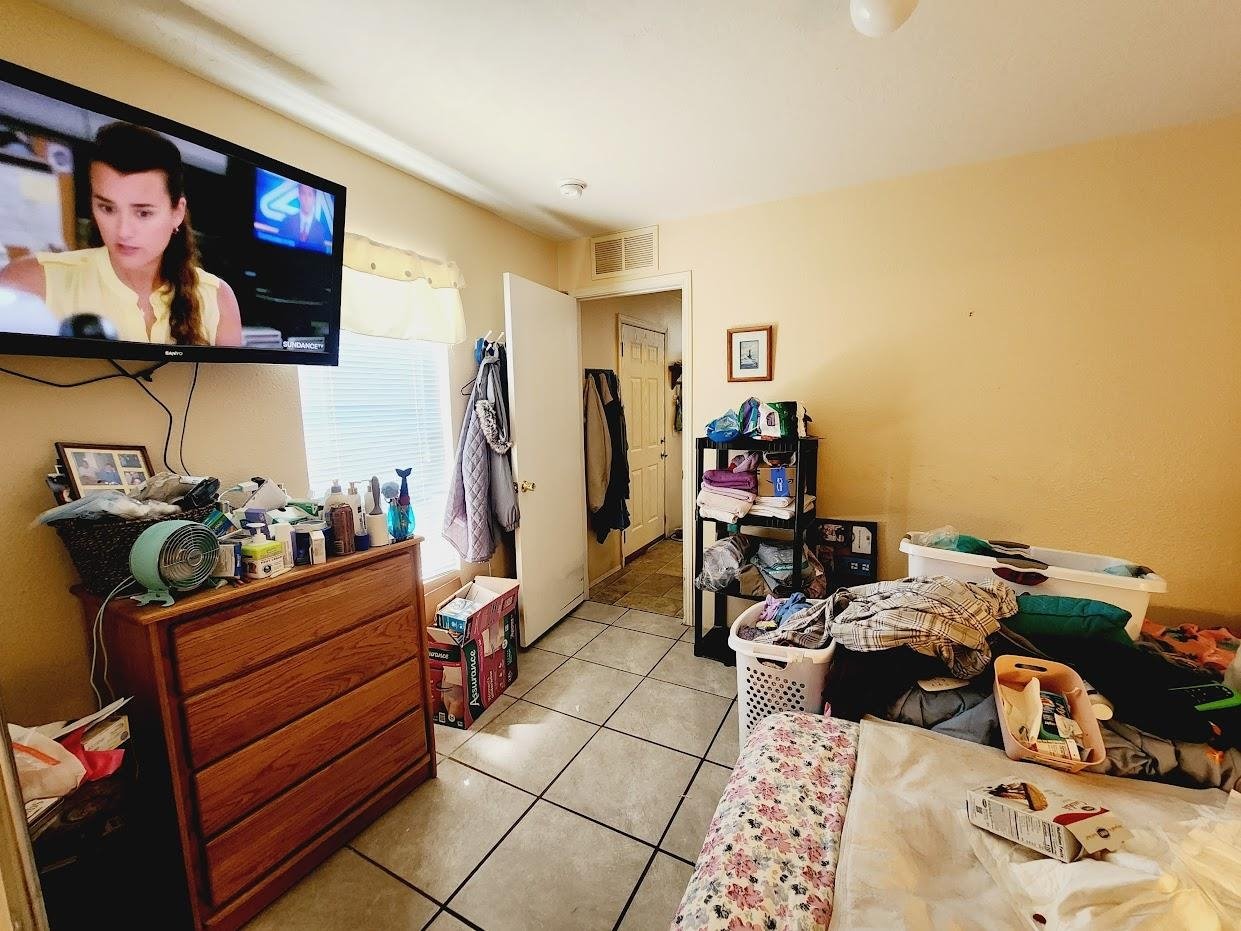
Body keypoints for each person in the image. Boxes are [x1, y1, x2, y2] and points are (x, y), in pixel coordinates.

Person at [0, 122, 242, 346]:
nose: (123, 231)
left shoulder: (218, 299)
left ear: (177, 212)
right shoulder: (30, 282)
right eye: (107, 208)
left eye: (143, 213)